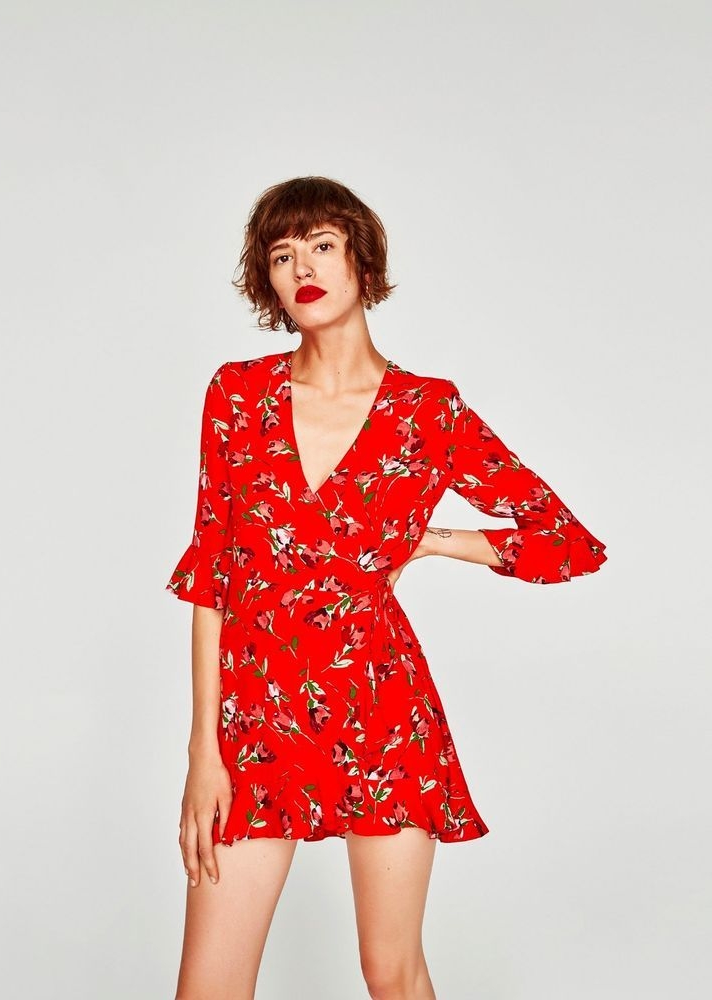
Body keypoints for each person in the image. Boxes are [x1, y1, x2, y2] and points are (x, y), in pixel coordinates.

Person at [164, 176, 607, 998]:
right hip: (254, 719)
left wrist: (430, 541)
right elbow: (212, 573)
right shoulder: (237, 395)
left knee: (391, 973)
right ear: (266, 281)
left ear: (362, 264)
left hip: (381, 710)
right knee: (209, 986)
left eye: (322, 246)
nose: (303, 267)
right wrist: (203, 752)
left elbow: (566, 544)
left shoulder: (426, 412)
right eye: (281, 255)